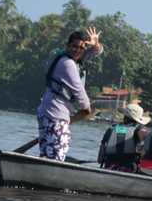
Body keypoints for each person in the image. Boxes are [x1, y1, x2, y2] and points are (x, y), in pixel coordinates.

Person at [37, 27, 103, 161]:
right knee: (59, 149)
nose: (78, 50)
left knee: (47, 151)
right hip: (56, 113)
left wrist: (95, 43)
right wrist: (87, 108)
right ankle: (48, 177)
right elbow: (78, 89)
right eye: (74, 46)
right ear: (67, 45)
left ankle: (39, 172)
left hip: (47, 111)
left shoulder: (69, 57)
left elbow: (97, 52)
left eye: (82, 47)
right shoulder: (67, 64)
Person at [97, 103, 150, 173]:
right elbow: (143, 135)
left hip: (109, 168)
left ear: (125, 116)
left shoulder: (111, 129)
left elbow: (100, 159)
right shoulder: (140, 128)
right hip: (131, 170)